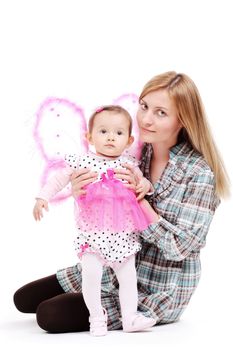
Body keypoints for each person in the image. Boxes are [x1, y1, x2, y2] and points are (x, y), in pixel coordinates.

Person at [14, 71, 230, 335]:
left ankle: (121, 317)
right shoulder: (135, 151)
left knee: (49, 315)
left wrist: (138, 201)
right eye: (144, 107)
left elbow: (180, 248)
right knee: (23, 299)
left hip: (156, 285)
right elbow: (102, 205)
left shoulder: (199, 174)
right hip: (110, 258)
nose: (146, 119)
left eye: (161, 113)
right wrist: (80, 191)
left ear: (182, 120)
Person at [32, 105, 157, 336]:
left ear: (129, 140)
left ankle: (130, 317)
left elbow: (144, 183)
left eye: (118, 133)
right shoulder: (82, 162)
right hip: (93, 235)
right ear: (89, 137)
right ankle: (97, 317)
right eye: (103, 131)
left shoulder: (128, 164)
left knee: (128, 277)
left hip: (123, 234)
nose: (111, 137)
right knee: (91, 277)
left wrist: (144, 186)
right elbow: (58, 180)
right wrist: (42, 197)